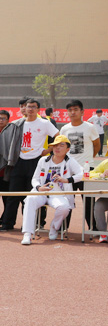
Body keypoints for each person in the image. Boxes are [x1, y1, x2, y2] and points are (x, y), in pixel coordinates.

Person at [0, 98, 59, 232]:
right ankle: (7, 224)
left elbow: (59, 136)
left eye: (33, 107)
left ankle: (29, 225)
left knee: (32, 196)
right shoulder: (17, 124)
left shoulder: (45, 123)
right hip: (18, 161)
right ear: (24, 108)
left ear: (38, 109)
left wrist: (47, 151)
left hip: (36, 162)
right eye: (28, 107)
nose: (30, 109)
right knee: (13, 195)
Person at [20, 135, 83, 245]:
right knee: (30, 200)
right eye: (55, 145)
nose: (57, 148)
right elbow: (34, 179)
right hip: (42, 192)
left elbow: (81, 174)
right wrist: (39, 187)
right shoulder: (43, 160)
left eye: (61, 145)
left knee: (64, 207)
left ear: (68, 149)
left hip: (58, 195)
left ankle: (54, 227)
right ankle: (27, 234)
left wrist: (66, 180)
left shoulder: (70, 161)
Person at [59, 99, 100, 230]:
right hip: (68, 170)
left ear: (82, 111)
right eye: (70, 110)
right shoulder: (64, 129)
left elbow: (97, 145)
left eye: (76, 109)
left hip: (86, 170)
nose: (73, 112)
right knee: (66, 200)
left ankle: (94, 229)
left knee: (89, 201)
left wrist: (89, 159)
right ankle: (63, 228)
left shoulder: (90, 127)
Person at [88, 159, 108, 243]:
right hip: (106, 198)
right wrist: (102, 174)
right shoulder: (105, 163)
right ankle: (103, 233)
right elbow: (90, 173)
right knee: (98, 206)